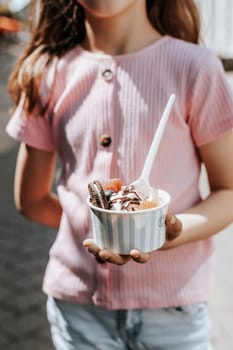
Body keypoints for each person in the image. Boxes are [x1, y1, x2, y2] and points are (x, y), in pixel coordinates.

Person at [6, 0, 233, 349]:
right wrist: (108, 231)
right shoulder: (46, 73)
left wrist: (164, 234)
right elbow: (31, 200)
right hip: (79, 308)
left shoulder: (196, 67)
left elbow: (228, 190)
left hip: (174, 310)